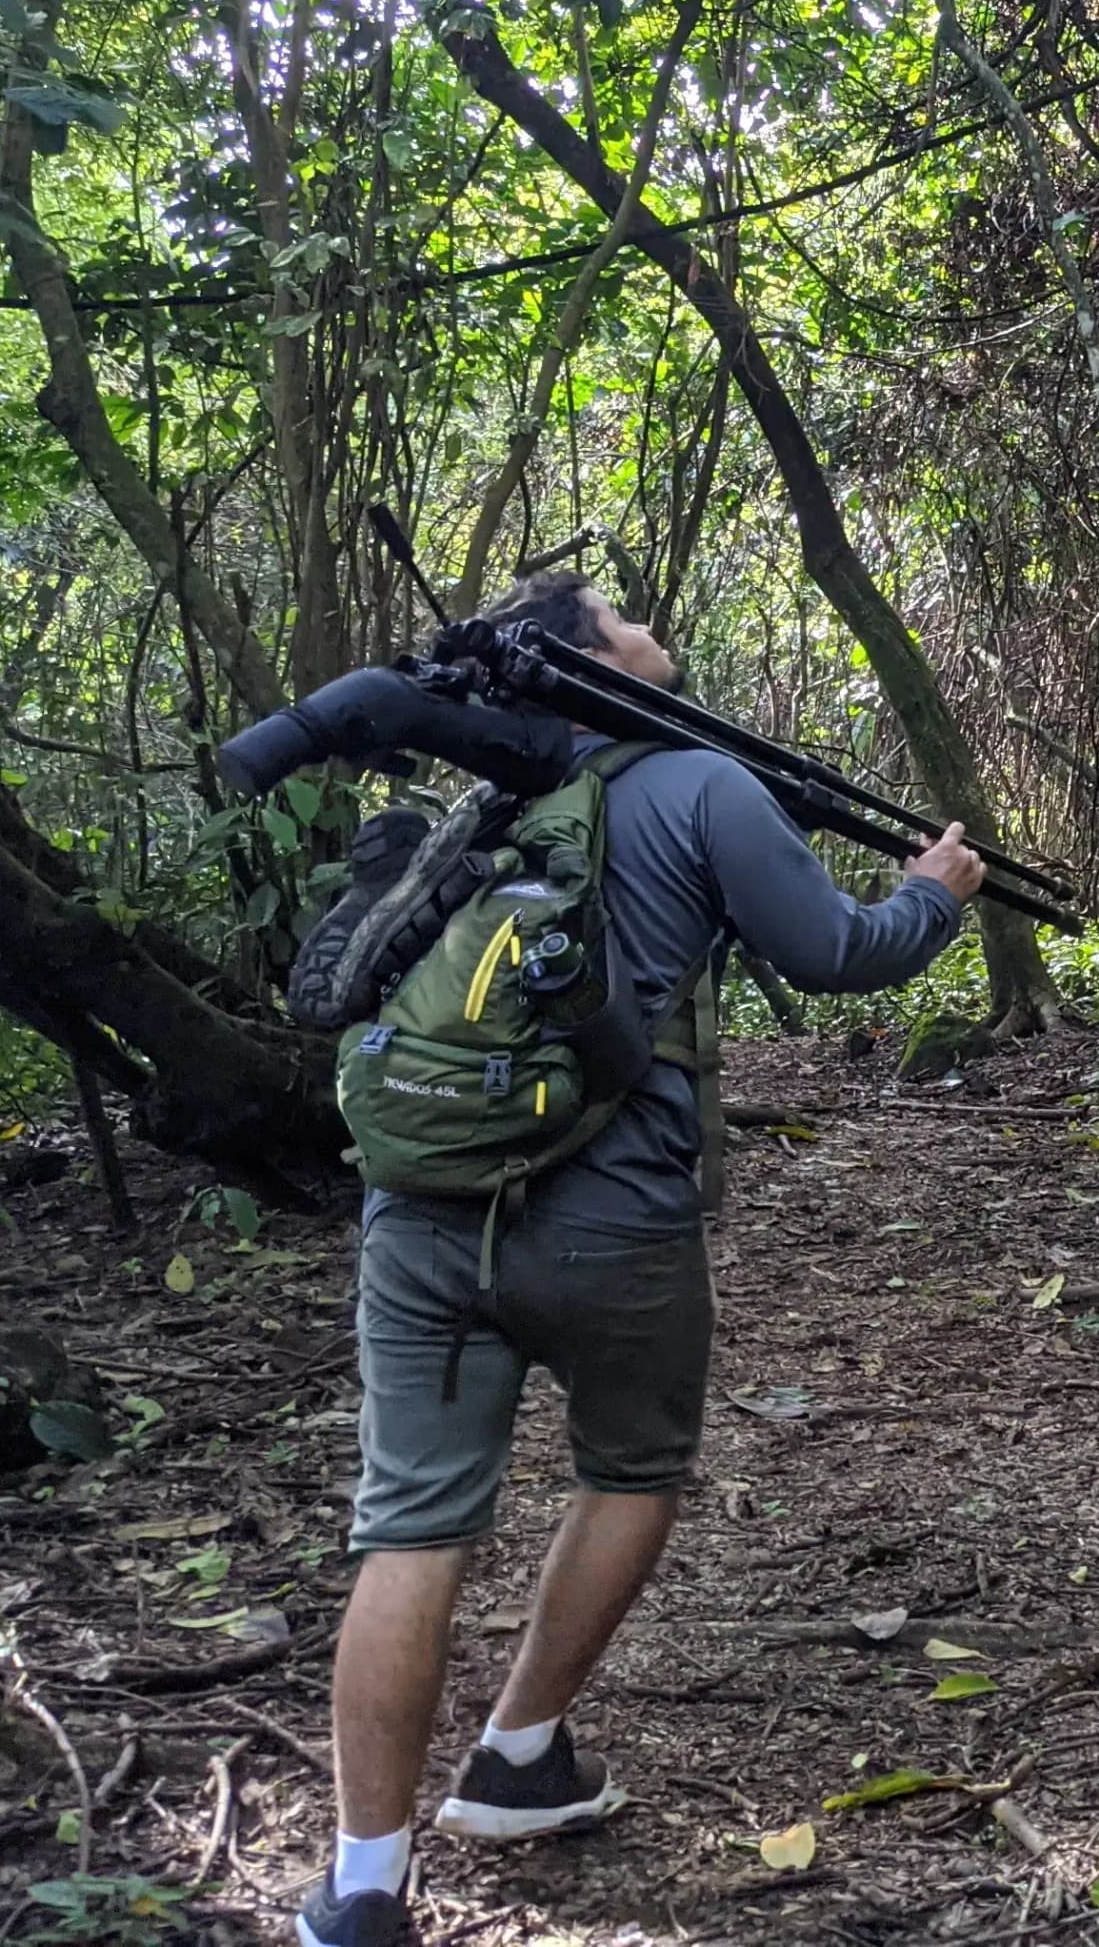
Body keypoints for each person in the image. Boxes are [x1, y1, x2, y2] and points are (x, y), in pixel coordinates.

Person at [296, 576, 986, 1947]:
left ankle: (363, 1890)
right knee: (634, 1470)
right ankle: (517, 1754)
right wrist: (933, 896)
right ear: (591, 658)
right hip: (616, 1217)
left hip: (423, 1214)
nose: (639, 618)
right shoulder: (702, 783)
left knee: (411, 1529)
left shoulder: (486, 808)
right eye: (615, 612)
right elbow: (838, 951)